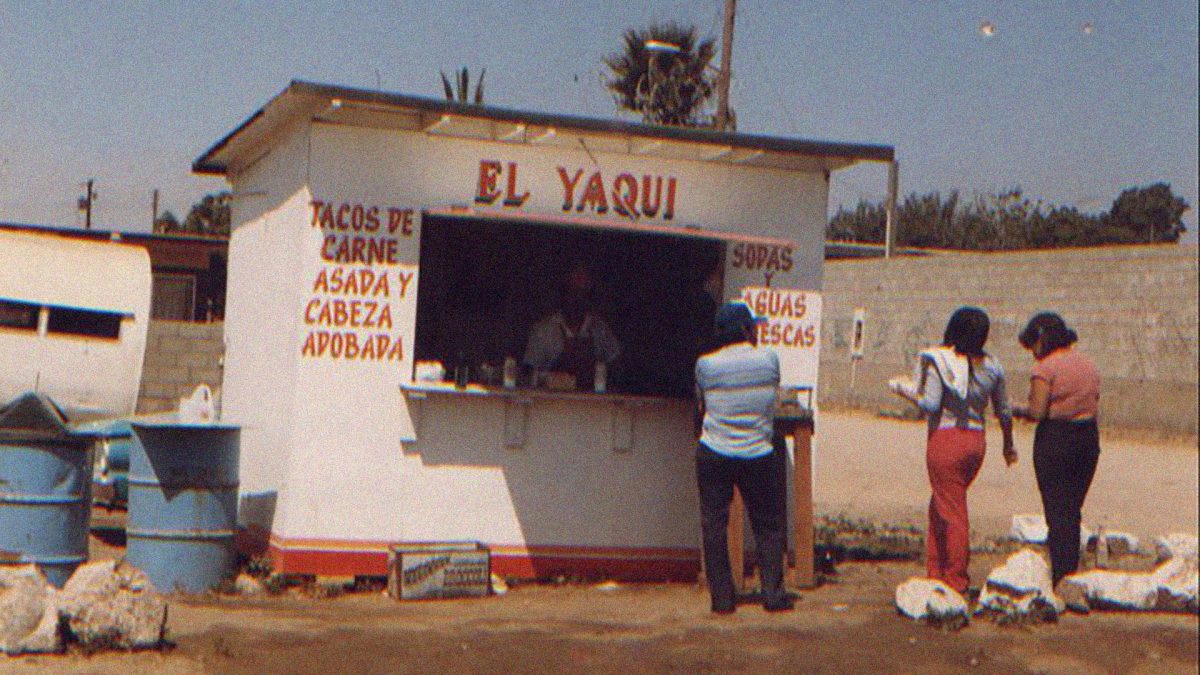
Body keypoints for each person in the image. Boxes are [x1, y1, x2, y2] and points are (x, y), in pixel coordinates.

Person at [889, 306, 1015, 595]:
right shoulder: (993, 366)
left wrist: (902, 388)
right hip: (976, 441)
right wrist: (1008, 445)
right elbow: (1004, 411)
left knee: (952, 511)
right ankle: (936, 568)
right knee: (941, 505)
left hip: (946, 441)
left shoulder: (940, 361)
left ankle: (955, 578)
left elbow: (930, 404)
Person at [694, 301, 792, 614]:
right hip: (758, 452)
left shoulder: (705, 365)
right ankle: (773, 596)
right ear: (746, 331)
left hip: (715, 450)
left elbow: (701, 407)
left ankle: (722, 600)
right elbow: (771, 398)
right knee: (768, 525)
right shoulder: (769, 359)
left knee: (714, 524)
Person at [1014, 312, 1101, 587]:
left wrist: (1015, 409)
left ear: (1041, 340)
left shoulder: (1045, 369)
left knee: (1057, 512)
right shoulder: (1087, 364)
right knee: (1072, 510)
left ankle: (1061, 577)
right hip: (1087, 438)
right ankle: (1070, 573)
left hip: (1056, 439)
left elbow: (1038, 411)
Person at [522, 262, 620, 390]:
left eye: (583, 293)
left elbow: (617, 367)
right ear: (564, 293)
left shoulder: (599, 330)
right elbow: (528, 375)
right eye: (573, 292)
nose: (577, 298)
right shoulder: (544, 330)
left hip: (592, 403)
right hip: (551, 404)